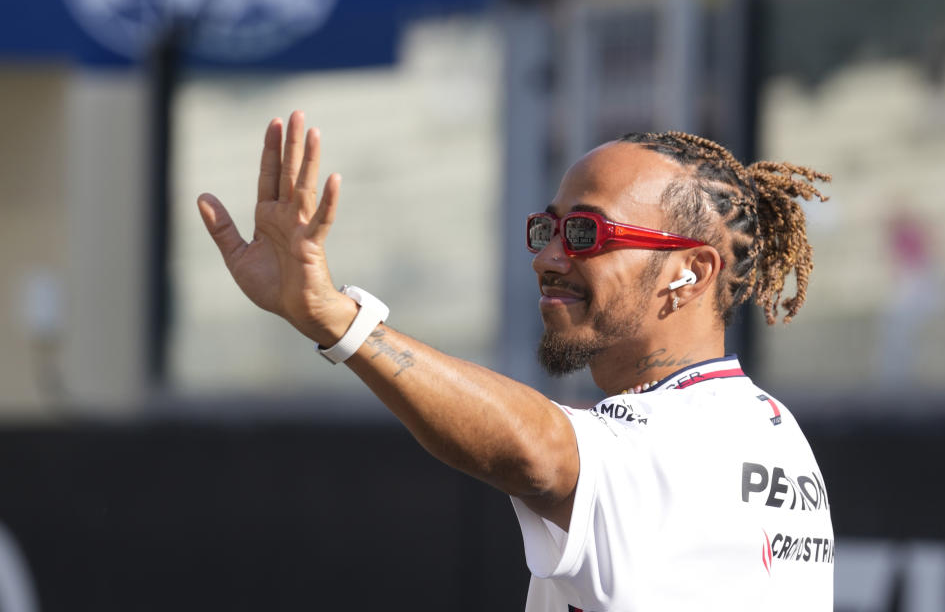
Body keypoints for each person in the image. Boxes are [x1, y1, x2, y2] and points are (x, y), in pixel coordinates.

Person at [197, 111, 834, 611]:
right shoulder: (765, 428)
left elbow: (538, 450)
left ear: (690, 271)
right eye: (548, 229)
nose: (549, 257)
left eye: (587, 233)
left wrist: (338, 320)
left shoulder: (690, 437)